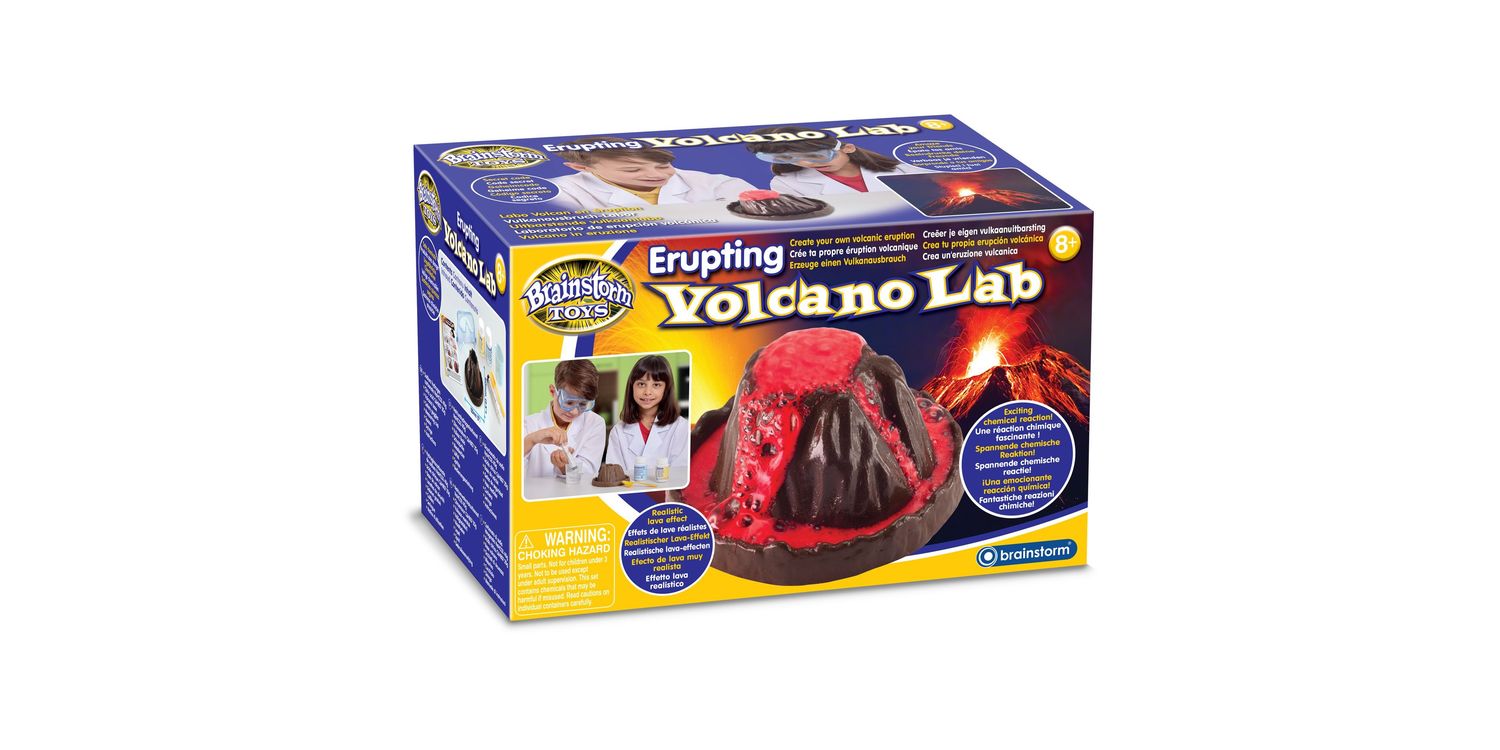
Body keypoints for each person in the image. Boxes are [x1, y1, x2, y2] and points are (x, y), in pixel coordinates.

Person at [550, 136, 754, 209]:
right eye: (632, 169)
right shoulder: (560, 192)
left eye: (663, 166)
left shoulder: (717, 184)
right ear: (582, 168)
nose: (656, 175)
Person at [743, 126, 928, 197]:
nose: (808, 164)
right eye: (789, 159)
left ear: (848, 148)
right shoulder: (785, 183)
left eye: (816, 156)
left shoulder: (904, 170)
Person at [606, 354, 689, 477]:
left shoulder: (681, 427)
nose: (647, 392)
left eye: (656, 385)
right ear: (632, 386)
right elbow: (614, 477)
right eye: (641, 384)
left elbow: (680, 475)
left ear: (666, 389)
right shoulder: (618, 431)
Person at [522, 359, 606, 478]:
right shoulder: (528, 424)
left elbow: (589, 473)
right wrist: (532, 439)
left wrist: (565, 466)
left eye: (583, 404)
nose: (574, 411)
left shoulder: (595, 423)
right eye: (569, 402)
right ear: (553, 391)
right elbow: (511, 468)